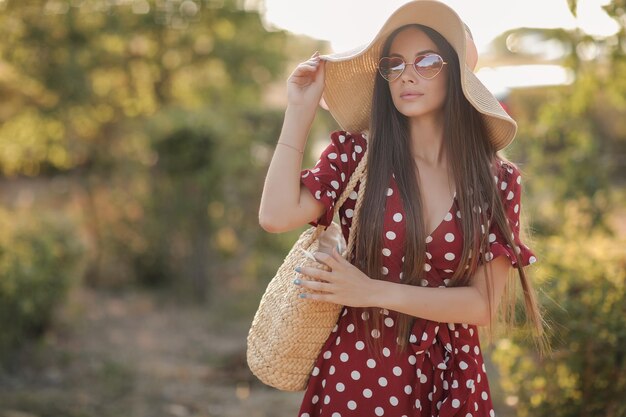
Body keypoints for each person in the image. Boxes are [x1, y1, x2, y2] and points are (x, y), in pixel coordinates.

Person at [258, 1, 545, 415]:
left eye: (427, 61)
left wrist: (370, 291)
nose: (406, 74)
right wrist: (299, 109)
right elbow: (275, 216)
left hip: (452, 378)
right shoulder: (358, 156)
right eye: (394, 64)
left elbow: (481, 305)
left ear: (458, 75)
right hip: (358, 374)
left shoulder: (497, 182)